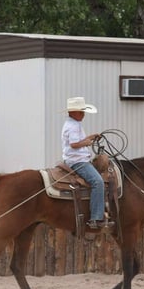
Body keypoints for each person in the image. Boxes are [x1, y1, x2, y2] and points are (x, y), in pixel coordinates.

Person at [61, 97, 114, 230]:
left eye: (83, 111)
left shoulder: (73, 123)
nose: (83, 114)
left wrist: (90, 137)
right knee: (98, 182)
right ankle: (96, 218)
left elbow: (77, 141)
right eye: (81, 112)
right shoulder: (73, 126)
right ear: (72, 112)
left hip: (77, 158)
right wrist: (87, 142)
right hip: (78, 161)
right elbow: (74, 144)